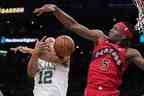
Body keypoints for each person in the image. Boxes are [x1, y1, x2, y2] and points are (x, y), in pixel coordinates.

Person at [33, 4, 144, 96]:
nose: (111, 29)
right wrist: (56, 10)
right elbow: (73, 25)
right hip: (90, 92)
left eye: (115, 29)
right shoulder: (99, 37)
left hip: (110, 93)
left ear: (123, 36)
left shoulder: (130, 52)